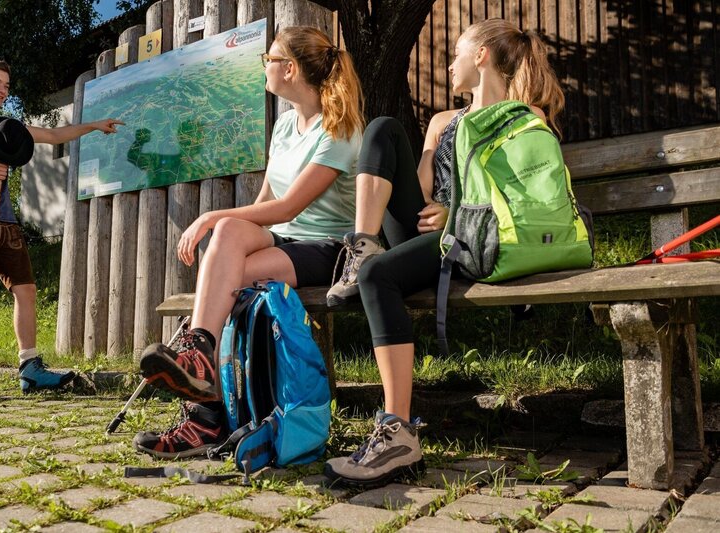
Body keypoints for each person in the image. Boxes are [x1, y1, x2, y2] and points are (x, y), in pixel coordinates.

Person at [323, 19, 565, 487]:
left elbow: (529, 196)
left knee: (378, 279)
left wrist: (453, 215)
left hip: (475, 235)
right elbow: (417, 191)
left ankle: (398, 433)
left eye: (457, 52)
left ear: (481, 57)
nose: (449, 62)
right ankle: (363, 245)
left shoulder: (524, 117)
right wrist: (429, 207)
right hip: (429, 230)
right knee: (383, 128)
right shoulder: (441, 121)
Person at [132, 26, 366, 458]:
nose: (266, 67)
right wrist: (229, 230)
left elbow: (289, 207)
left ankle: (205, 419)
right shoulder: (285, 126)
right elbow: (265, 202)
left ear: (289, 69)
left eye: (269, 60)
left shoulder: (340, 131)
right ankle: (201, 355)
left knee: (225, 276)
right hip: (285, 239)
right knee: (228, 240)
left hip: (327, 248)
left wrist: (210, 216)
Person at [0, 59, 124, 401]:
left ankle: (30, 369)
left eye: (6, 84)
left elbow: (51, 135)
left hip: (6, 221)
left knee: (26, 290)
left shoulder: (8, 125)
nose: (2, 89)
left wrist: (93, 125)